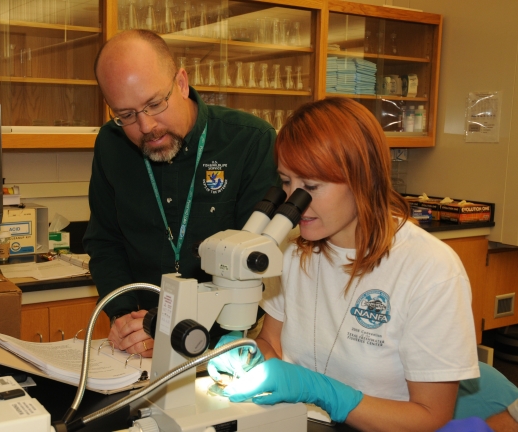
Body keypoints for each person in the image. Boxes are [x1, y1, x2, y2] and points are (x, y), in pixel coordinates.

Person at [208, 97, 480, 431]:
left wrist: (326, 393)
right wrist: (247, 355)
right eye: (286, 182)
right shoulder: (290, 250)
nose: (294, 200)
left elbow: (431, 416)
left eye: (311, 186)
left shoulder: (430, 269)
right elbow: (271, 343)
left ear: (363, 179)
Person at [83, 29, 278, 358]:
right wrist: (124, 318)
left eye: (154, 104)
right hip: (139, 343)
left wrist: (183, 333)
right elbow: (105, 244)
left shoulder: (250, 141)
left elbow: (260, 261)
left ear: (182, 83)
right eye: (126, 115)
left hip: (226, 339)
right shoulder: (110, 144)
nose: (146, 127)